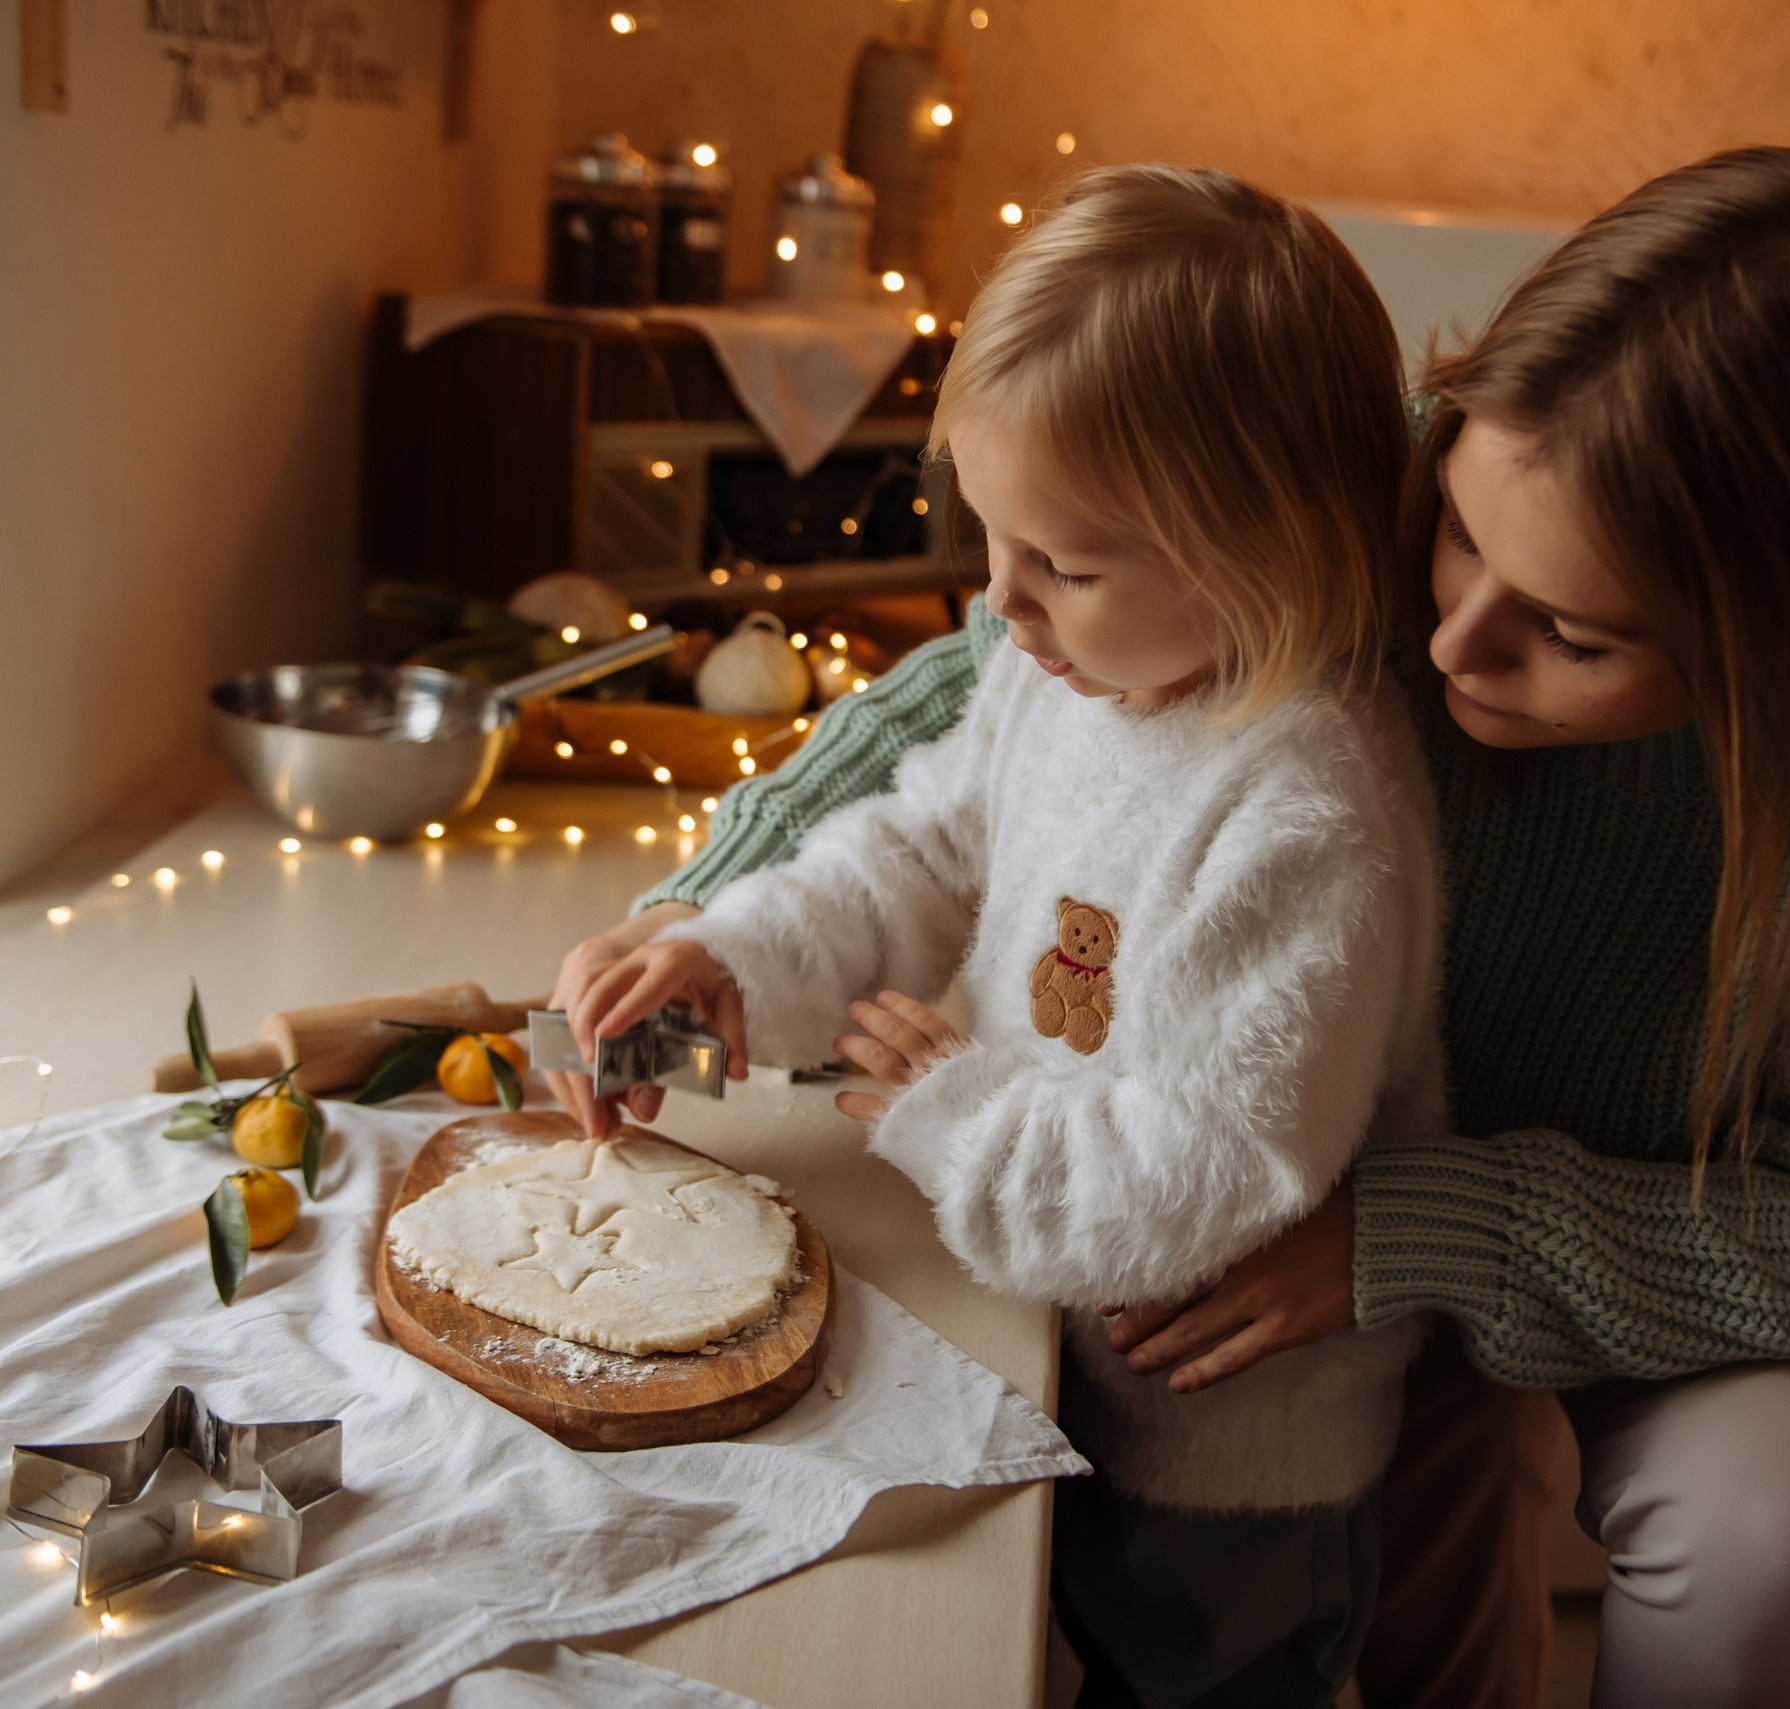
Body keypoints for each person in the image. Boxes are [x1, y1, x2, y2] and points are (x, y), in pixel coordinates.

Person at [555, 146, 1790, 1708]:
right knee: (1407, 1567)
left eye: (1569, 629)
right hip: (1317, 1168)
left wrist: (1430, 1230)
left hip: (1656, 1229)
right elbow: (1002, 691)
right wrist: (711, 912)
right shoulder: (1376, 476)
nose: (1450, 644)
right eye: (1455, 531)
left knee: (1772, 1540)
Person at [558, 165, 1447, 1709]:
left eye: (1064, 565)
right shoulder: (1072, 677)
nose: (1000, 606)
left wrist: (953, 1111)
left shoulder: (1307, 814)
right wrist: (735, 962)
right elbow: (915, 847)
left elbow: (1210, 1174)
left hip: (1222, 1470)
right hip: (1029, 1326)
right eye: (994, 541)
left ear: (1272, 551)